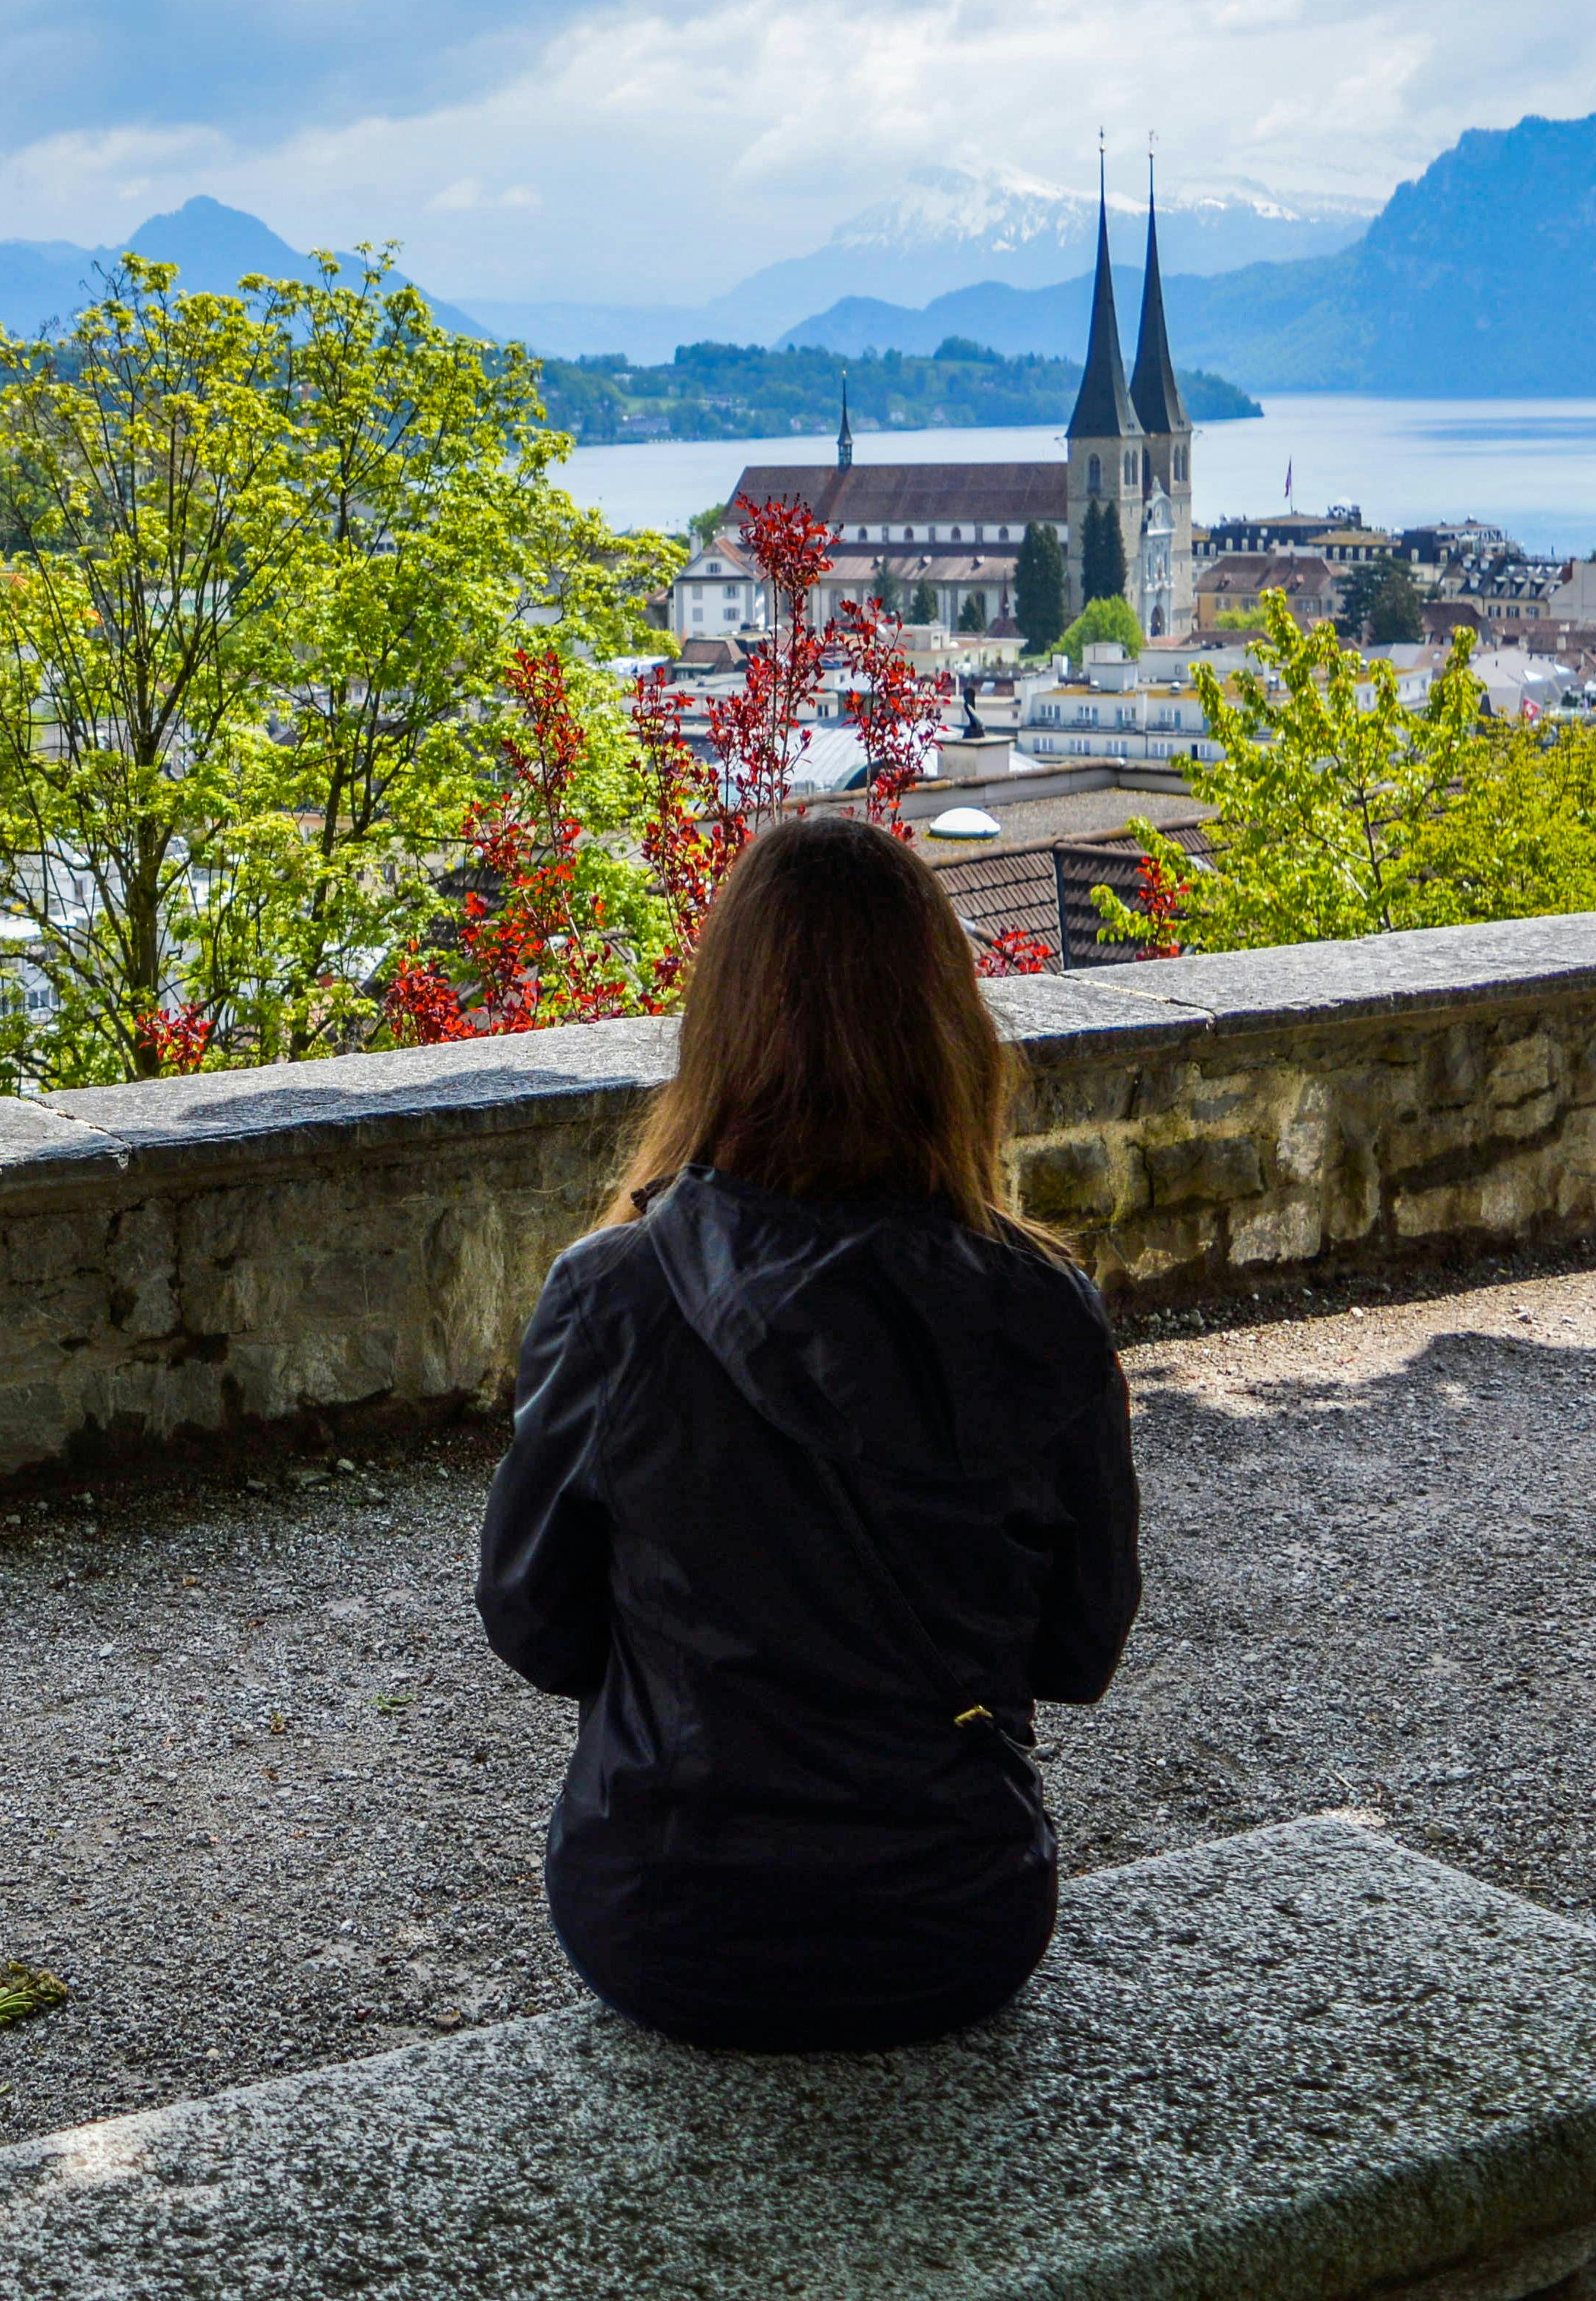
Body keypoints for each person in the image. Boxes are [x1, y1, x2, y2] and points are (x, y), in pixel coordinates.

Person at [476, 812, 1141, 2052]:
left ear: (719, 1025)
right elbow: (1077, 1647)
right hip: (955, 1920)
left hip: (669, 1919)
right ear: (949, 1033)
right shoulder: (1040, 1306)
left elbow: (534, 1624)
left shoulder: (613, 1296)